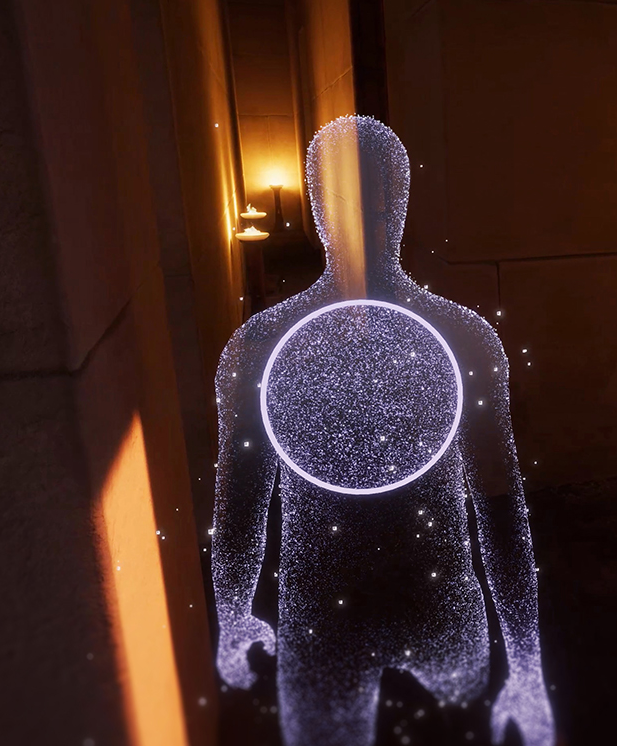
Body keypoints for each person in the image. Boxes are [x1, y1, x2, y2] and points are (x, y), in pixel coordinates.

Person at [211, 115, 554, 746]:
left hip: (359, 613)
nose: (362, 221)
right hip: (402, 609)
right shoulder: (461, 334)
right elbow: (501, 508)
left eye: (370, 201)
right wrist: (526, 664)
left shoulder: (262, 342)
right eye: (354, 201)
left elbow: (502, 505)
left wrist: (233, 614)